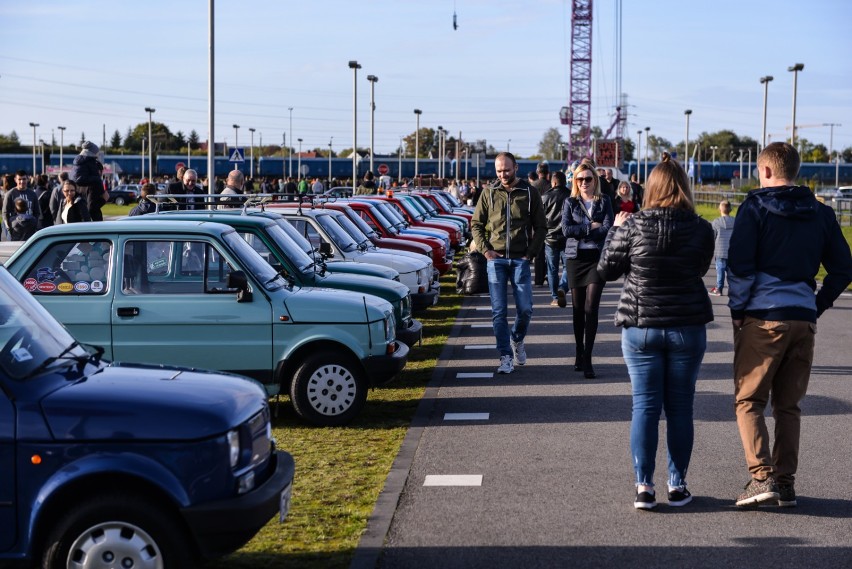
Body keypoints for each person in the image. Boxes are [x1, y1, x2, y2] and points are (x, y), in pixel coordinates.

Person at [728, 142, 852, 508]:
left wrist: (738, 311)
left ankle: (761, 477)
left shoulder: (755, 207)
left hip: (765, 317)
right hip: (802, 318)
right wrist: (816, 305)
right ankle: (785, 482)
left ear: (765, 170)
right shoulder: (820, 212)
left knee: (749, 399)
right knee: (788, 405)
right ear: (795, 171)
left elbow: (740, 265)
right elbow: (843, 268)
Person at [598, 152, 714, 510]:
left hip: (641, 325)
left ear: (650, 188)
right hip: (686, 325)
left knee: (645, 407)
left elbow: (606, 271)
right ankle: (677, 485)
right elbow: (699, 268)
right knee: (680, 408)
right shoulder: (702, 228)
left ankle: (643, 486)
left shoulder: (632, 226)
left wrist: (615, 230)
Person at [470, 152, 547, 374]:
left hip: (520, 259)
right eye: (499, 171)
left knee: (525, 309)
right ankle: (505, 356)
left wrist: (530, 253)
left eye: (506, 169)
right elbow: (476, 223)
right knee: (498, 311)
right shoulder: (488, 193)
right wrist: (485, 250)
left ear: (516, 168)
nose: (503, 174)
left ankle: (517, 339)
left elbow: (541, 227)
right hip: (496, 260)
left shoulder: (529, 193)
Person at [561, 162, 614, 378]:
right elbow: (566, 229)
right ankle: (578, 352)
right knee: (578, 309)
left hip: (596, 259)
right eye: (580, 179)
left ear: (595, 180)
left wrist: (584, 233)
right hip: (575, 259)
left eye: (588, 179)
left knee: (591, 308)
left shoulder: (604, 201)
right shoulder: (570, 202)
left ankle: (589, 358)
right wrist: (589, 228)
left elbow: (608, 228)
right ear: (575, 182)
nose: (584, 183)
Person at [541, 170, 571, 306]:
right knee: (568, 267)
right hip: (568, 237)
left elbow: (540, 219)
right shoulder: (571, 196)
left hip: (550, 238)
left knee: (552, 269)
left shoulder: (545, 197)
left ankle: (555, 297)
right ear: (565, 182)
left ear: (553, 182)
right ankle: (563, 288)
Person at [69, 141, 107, 221]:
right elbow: (92, 207)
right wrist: (103, 199)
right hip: (93, 218)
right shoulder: (91, 165)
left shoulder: (78, 163)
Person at [3, 171, 40, 240]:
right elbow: (5, 213)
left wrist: (35, 225)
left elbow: (37, 212)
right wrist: (9, 228)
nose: (22, 182)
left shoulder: (32, 194)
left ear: (27, 179)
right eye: (19, 179)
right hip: (15, 230)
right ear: (15, 180)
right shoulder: (10, 194)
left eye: (24, 179)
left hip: (29, 229)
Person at [710, 200, 735, 296]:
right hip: (732, 252)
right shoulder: (735, 221)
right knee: (731, 274)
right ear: (731, 209)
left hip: (720, 252)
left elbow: (713, 236)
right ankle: (732, 290)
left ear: (720, 209)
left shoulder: (716, 222)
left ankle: (719, 289)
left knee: (720, 271)